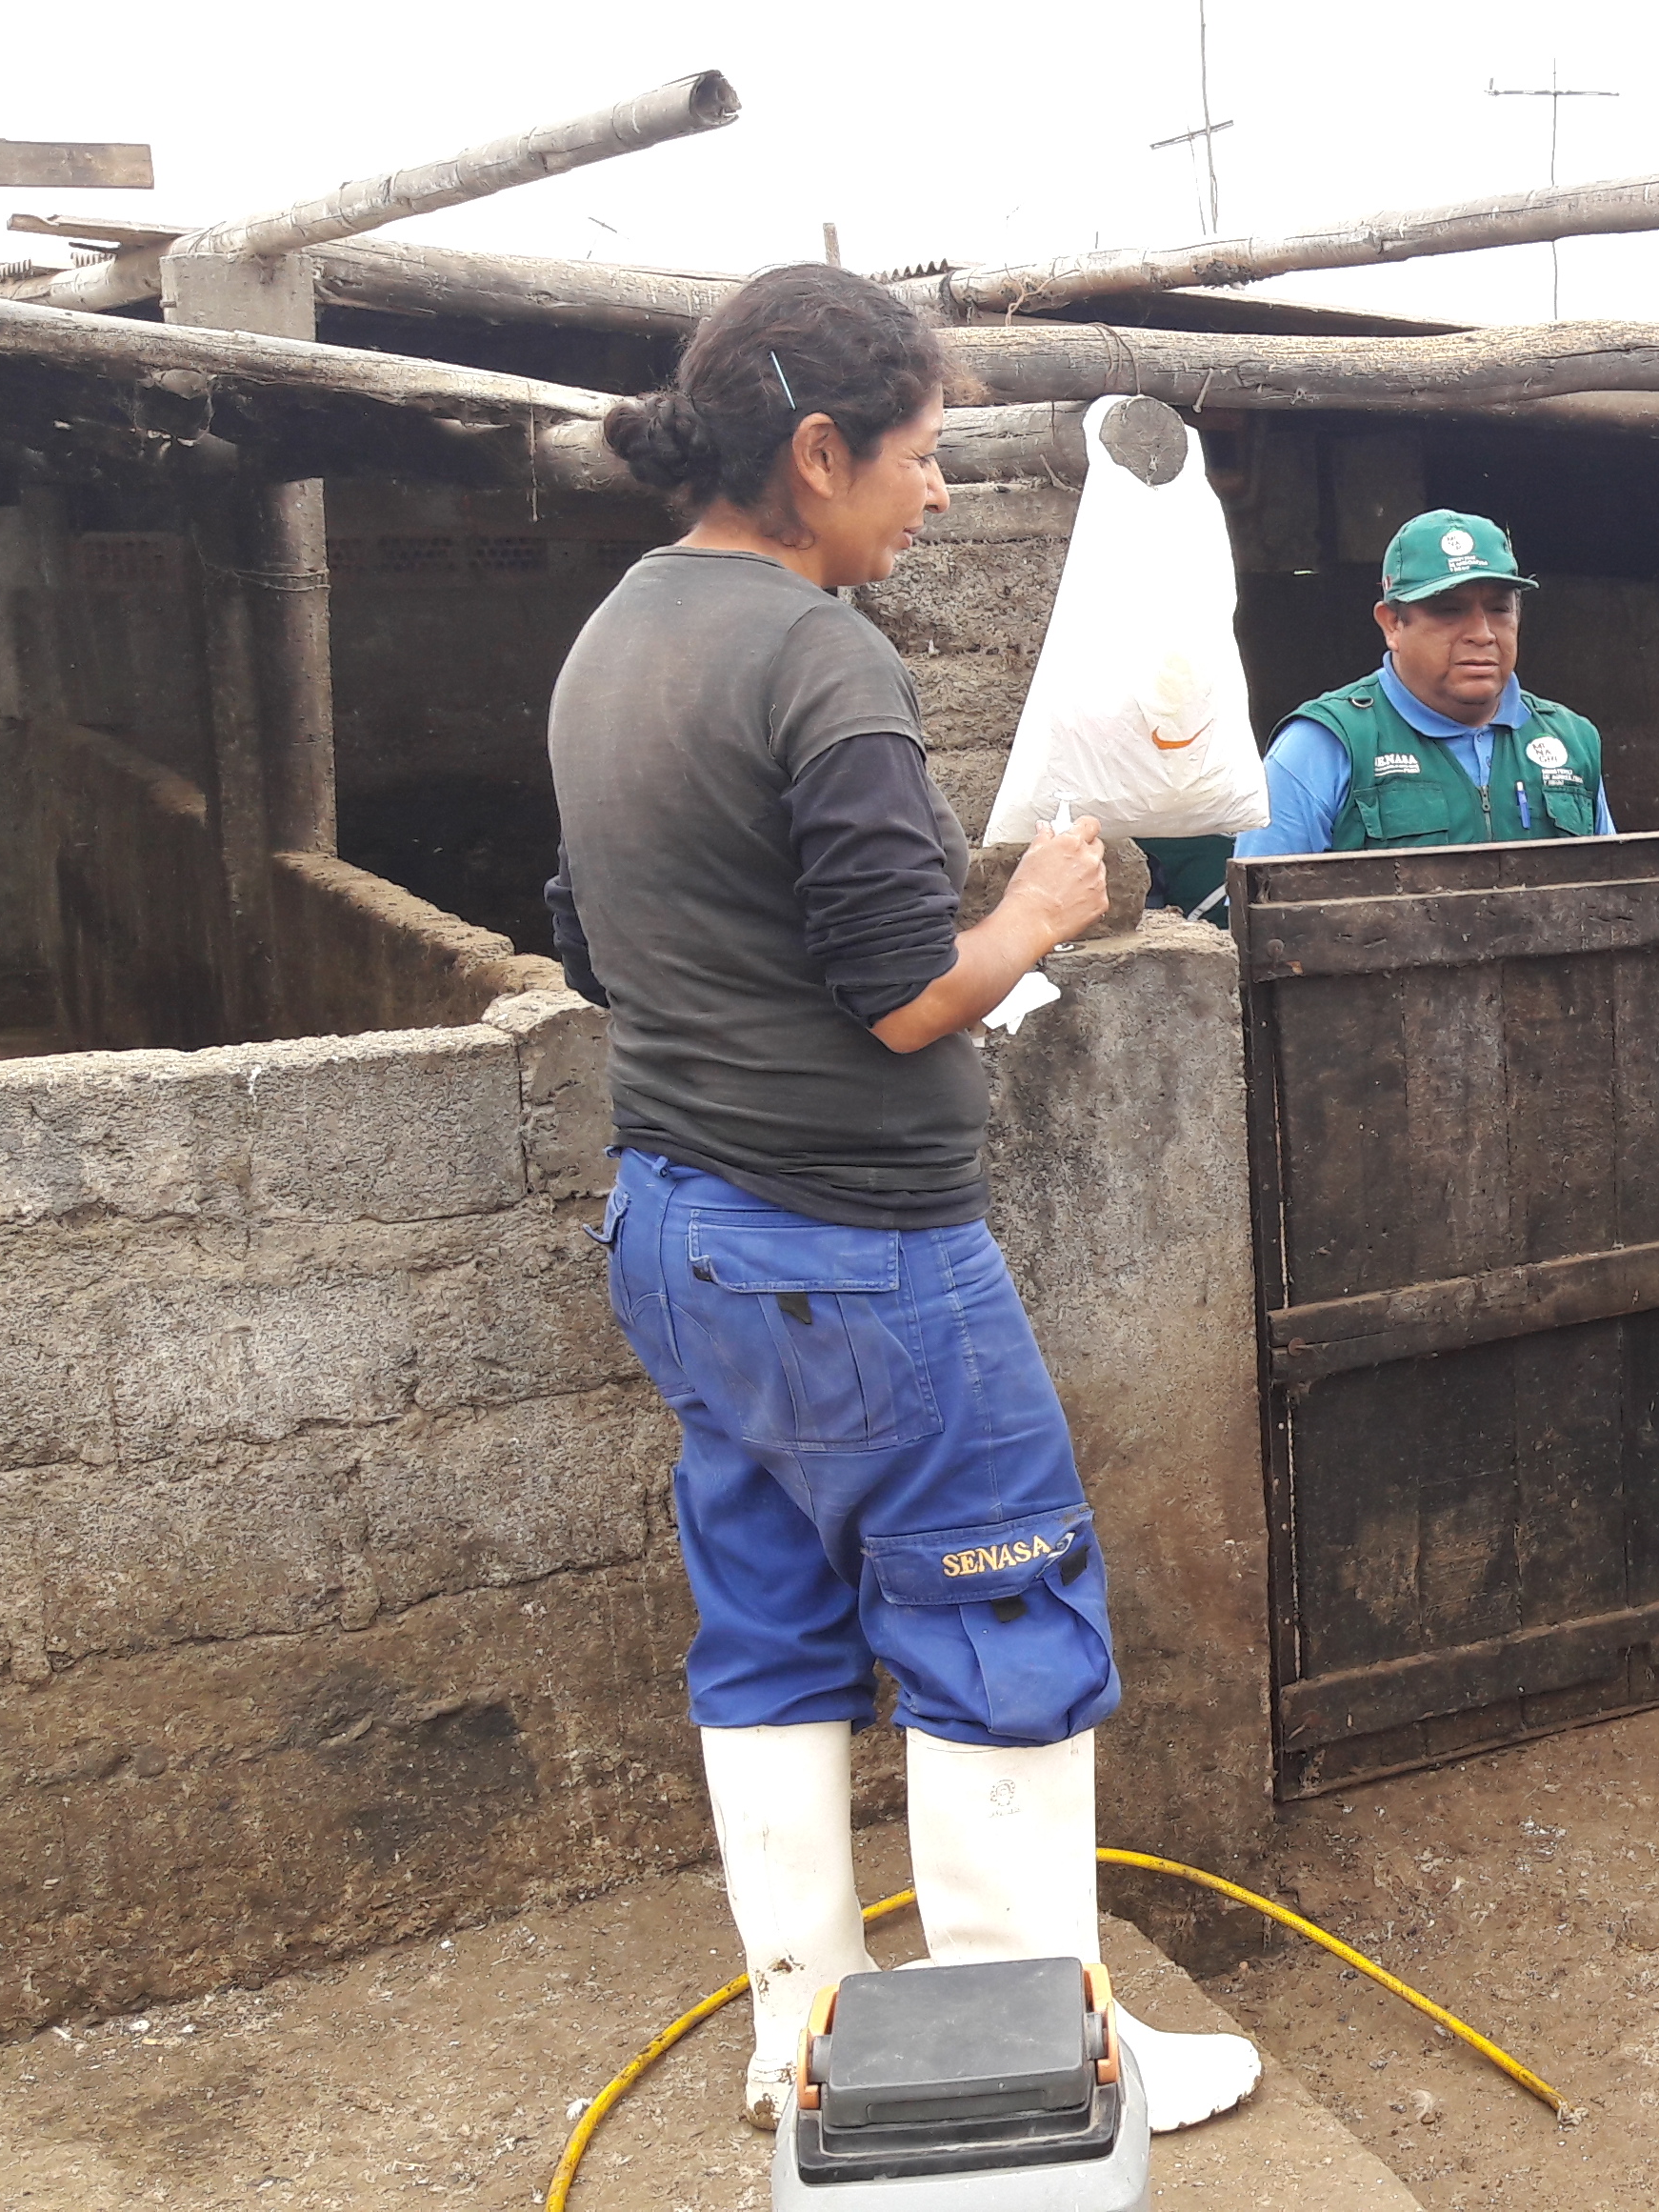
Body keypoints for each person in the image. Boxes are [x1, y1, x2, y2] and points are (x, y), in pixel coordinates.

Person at [543, 263, 1258, 2136]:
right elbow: (896, 992)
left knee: (773, 1625)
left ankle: (805, 2040)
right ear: (815, 452)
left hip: (679, 1233)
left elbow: (593, 938)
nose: (938, 492)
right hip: (852, 1251)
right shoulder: (819, 657)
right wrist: (1033, 913)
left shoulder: (617, 631)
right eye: (921, 457)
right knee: (997, 1620)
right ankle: (1050, 2060)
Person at [1233, 508, 1616, 861]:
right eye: (1449, 610)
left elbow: (1611, 900)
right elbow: (1261, 916)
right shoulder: (1324, 745)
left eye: (1499, 609)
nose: (1482, 634)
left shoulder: (1571, 740)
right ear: (1392, 625)